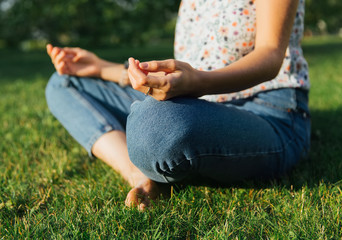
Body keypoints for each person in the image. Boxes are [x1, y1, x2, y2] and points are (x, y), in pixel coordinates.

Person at [45, 0, 310, 210]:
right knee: (64, 82)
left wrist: (199, 83)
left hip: (266, 110)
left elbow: (270, 55)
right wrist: (102, 69)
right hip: (195, 105)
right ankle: (137, 174)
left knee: (157, 127)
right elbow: (192, 66)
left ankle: (155, 147)